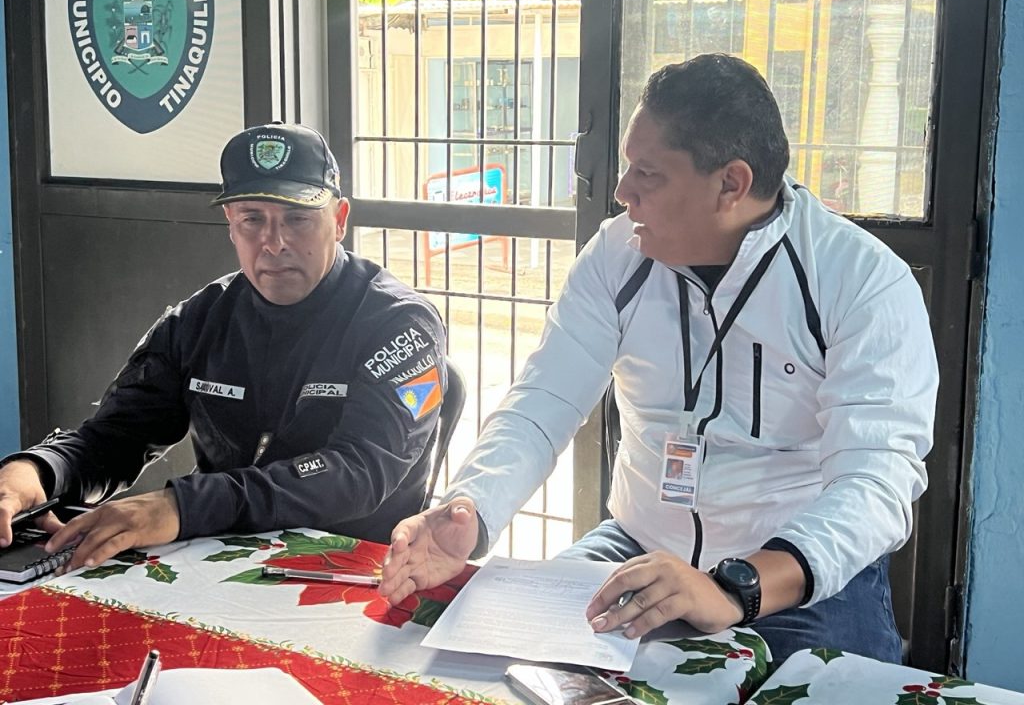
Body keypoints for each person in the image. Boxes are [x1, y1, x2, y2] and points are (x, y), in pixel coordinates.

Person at [380, 54, 938, 665]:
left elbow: (874, 481)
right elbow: (542, 403)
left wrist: (737, 587)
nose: (622, 193)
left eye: (647, 174)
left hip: (793, 577)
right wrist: (471, 506)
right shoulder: (616, 256)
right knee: (498, 668)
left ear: (731, 184)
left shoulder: (859, 280)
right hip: (637, 549)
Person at [0, 122, 447, 572]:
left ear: (340, 220)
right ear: (231, 225)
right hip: (214, 559)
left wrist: (183, 506)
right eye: (253, 219)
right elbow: (116, 437)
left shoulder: (400, 325)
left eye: (298, 218)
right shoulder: (199, 319)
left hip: (356, 570)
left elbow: (358, 472)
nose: (274, 243)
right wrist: (37, 470)